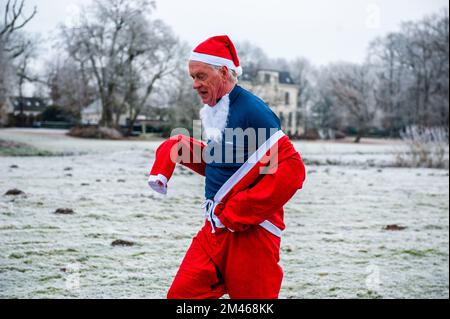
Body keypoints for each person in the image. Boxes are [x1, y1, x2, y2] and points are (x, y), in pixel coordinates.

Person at [148, 35, 306, 299]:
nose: (195, 84)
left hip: (251, 235)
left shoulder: (253, 110)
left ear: (223, 72)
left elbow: (291, 170)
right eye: (192, 77)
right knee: (182, 296)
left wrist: (236, 212)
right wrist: (178, 149)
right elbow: (224, 162)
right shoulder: (217, 108)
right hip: (213, 231)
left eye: (200, 76)